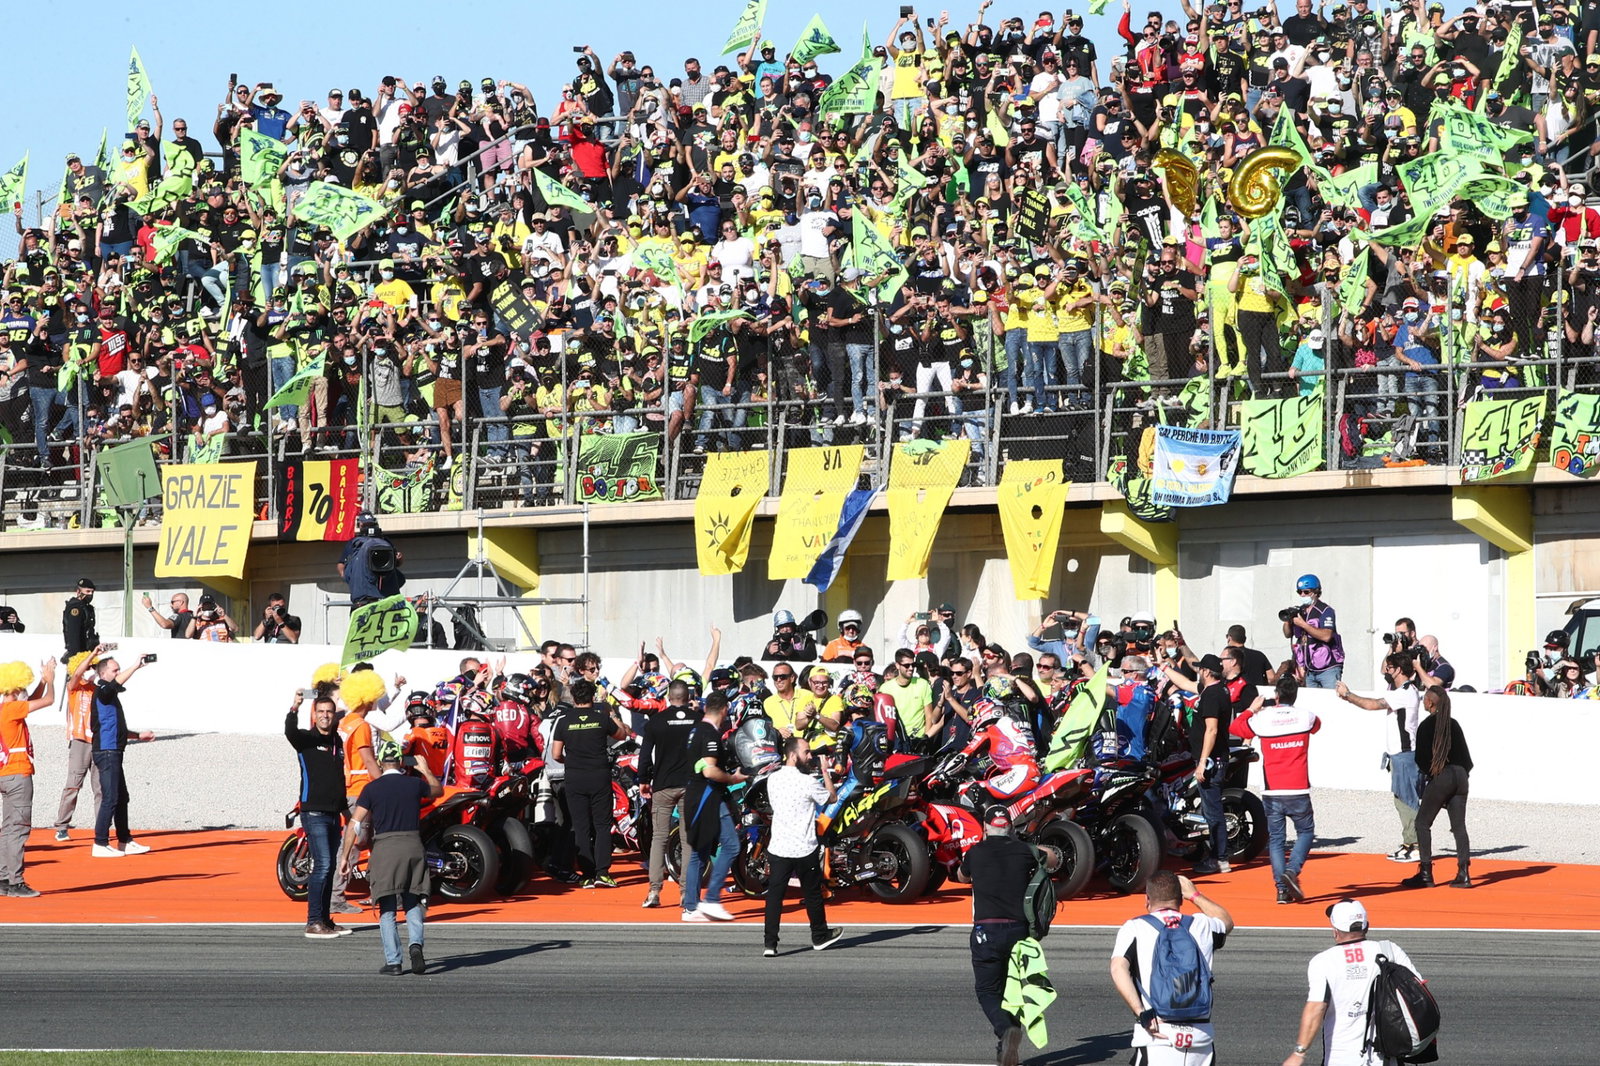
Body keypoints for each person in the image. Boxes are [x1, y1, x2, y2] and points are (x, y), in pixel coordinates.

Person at [961, 804, 1061, 1066]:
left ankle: (1005, 1031)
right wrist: (1024, 844)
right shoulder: (1023, 851)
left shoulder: (975, 852)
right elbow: (1053, 859)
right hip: (1019, 930)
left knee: (986, 990)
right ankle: (1007, 1048)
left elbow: (961, 876)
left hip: (987, 930)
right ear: (1009, 827)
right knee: (1013, 989)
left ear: (985, 827)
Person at [338, 735, 442, 975]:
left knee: (387, 907)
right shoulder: (414, 784)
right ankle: (415, 944)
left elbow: (355, 823)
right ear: (400, 762)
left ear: (381, 762)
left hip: (385, 848)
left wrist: (344, 857)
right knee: (413, 899)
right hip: (412, 845)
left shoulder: (371, 788)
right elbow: (438, 790)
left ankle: (394, 961)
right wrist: (425, 769)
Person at [1109, 870, 1236, 1066]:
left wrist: (1141, 1011)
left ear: (1147, 899)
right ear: (1180, 899)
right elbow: (1226, 922)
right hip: (1200, 1041)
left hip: (1157, 1037)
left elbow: (1118, 968)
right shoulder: (1202, 925)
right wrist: (1195, 894)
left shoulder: (1135, 927)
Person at [1282, 899, 1424, 1066]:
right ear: (1367, 926)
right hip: (1387, 1058)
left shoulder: (1323, 961)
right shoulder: (1390, 950)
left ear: (1335, 931)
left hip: (1340, 1059)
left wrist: (1299, 1052)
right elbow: (1418, 994)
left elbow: (1316, 1008)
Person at [1230, 676, 1320, 904]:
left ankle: (1281, 889)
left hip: (1272, 790)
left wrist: (1252, 709)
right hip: (1298, 788)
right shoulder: (1305, 716)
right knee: (1306, 832)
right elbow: (1317, 725)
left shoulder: (1263, 718)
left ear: (1276, 695)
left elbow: (1235, 728)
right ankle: (1292, 871)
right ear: (1296, 695)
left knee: (1278, 840)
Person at [1335, 655, 1424, 863]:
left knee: (1407, 801)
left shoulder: (1404, 693)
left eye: (1391, 668)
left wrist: (1348, 695)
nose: (1387, 670)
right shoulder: (1404, 690)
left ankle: (1417, 845)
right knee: (1402, 800)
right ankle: (1410, 843)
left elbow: (1371, 705)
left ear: (1400, 670)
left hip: (1404, 755)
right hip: (1400, 754)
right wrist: (1393, 649)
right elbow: (1383, 671)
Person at [762, 735, 843, 957]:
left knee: (774, 897)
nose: (810, 756)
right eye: (806, 752)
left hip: (779, 846)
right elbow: (832, 798)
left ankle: (770, 944)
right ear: (792, 755)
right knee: (813, 894)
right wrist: (825, 771)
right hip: (804, 847)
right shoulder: (808, 782)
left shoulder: (772, 779)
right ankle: (819, 936)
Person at [548, 678, 629, 888]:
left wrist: (572, 761)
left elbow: (556, 754)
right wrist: (612, 714)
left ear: (574, 698)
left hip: (574, 776)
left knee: (580, 826)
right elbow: (622, 734)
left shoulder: (564, 720)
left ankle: (587, 875)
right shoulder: (600, 718)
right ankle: (602, 873)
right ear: (592, 697)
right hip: (599, 775)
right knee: (602, 825)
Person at [286, 689, 351, 938]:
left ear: (335, 716)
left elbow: (338, 778)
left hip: (334, 812)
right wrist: (295, 707)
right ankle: (313, 921)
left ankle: (324, 919)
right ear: (314, 715)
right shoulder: (305, 739)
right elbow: (289, 732)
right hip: (313, 812)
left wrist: (345, 809)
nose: (325, 716)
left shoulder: (337, 741)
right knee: (322, 866)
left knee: (330, 866)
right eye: (321, 712)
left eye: (329, 712)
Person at [680, 690, 748, 922]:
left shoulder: (695, 730)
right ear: (724, 710)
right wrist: (732, 778)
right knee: (731, 845)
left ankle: (690, 908)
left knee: (699, 852)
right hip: (708, 796)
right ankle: (710, 900)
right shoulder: (709, 733)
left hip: (696, 794)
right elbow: (709, 770)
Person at [1402, 687, 1473, 890]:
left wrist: (1436, 782)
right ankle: (1463, 872)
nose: (1423, 702)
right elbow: (1467, 759)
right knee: (1459, 827)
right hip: (1461, 776)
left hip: (1444, 776)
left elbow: (1421, 760)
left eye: (1425, 698)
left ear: (1431, 703)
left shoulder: (1426, 726)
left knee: (1422, 823)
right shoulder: (1454, 724)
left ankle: (1426, 873)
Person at [637, 678, 699, 909]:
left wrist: (643, 779)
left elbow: (645, 755)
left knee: (659, 838)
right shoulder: (698, 720)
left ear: (668, 698)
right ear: (688, 698)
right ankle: (686, 892)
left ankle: (654, 891)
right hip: (690, 785)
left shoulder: (656, 722)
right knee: (687, 839)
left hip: (663, 784)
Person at [88, 655, 156, 858]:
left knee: (121, 798)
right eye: (114, 670)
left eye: (118, 670)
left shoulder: (110, 695)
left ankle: (124, 840)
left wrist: (137, 735)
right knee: (110, 797)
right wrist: (135, 666)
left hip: (114, 750)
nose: (118, 673)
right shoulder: (102, 690)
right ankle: (100, 843)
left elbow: (115, 725)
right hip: (107, 751)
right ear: (102, 673)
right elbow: (112, 686)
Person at [0, 658, 57, 897]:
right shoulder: (13, 709)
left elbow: (32, 699)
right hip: (17, 774)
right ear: (15, 689)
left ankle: (4, 877)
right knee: (18, 829)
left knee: (7, 829)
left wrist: (43, 681)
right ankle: (15, 880)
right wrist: (51, 681)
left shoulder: (6, 709)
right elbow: (47, 701)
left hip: (6, 774)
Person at [52, 647, 105, 841]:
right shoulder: (73, 687)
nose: (92, 669)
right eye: (89, 666)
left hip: (98, 741)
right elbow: (76, 674)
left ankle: (102, 827)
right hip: (80, 740)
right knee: (73, 784)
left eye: (94, 666)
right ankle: (62, 826)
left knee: (100, 787)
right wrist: (92, 656)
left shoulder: (99, 689)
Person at [1190, 654, 1233, 875]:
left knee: (1212, 811)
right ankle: (1218, 856)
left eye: (1200, 670)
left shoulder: (1213, 695)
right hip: (1214, 759)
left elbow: (1212, 729)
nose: (1198, 672)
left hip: (1211, 761)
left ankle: (1219, 858)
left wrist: (1203, 761)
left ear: (1206, 672)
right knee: (1211, 808)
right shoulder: (1217, 690)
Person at [1282, 574, 1343, 687]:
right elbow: (1287, 634)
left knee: (1331, 701)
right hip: (1308, 668)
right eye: (1299, 592)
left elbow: (1326, 636)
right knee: (1312, 703)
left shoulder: (1325, 610)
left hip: (1328, 667)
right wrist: (1287, 620)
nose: (1302, 595)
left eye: (1306, 592)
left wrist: (1304, 625)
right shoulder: (1300, 611)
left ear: (1316, 592)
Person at [62, 578, 99, 659]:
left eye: (92, 592)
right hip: (78, 655)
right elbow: (74, 635)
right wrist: (77, 657)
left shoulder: (86, 608)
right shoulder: (76, 609)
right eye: (87, 591)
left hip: (87, 653)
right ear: (78, 592)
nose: (90, 595)